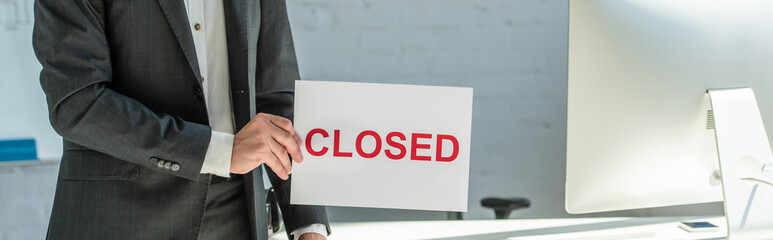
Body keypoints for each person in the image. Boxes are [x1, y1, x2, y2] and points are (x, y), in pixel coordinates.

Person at [32, 0, 329, 239]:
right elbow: (77, 101)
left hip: (238, 214)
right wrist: (219, 152)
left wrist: (308, 223)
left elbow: (277, 97)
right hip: (122, 217)